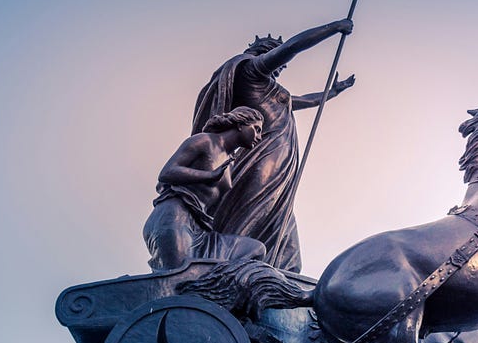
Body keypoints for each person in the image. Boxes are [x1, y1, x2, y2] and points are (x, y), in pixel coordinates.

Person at [191, 19, 356, 273]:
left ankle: (278, 274)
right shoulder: (250, 71)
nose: (280, 69)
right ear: (264, 53)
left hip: (282, 164)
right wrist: (334, 27)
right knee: (250, 213)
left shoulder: (272, 89)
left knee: (280, 220)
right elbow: (292, 47)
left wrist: (332, 92)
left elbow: (302, 101)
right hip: (262, 158)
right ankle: (226, 271)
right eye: (278, 61)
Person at [143, 107, 267, 271]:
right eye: (256, 129)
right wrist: (208, 176)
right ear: (240, 123)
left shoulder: (230, 163)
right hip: (175, 218)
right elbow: (166, 173)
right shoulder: (205, 141)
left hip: (202, 231)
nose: (259, 137)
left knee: (255, 249)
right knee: (179, 277)